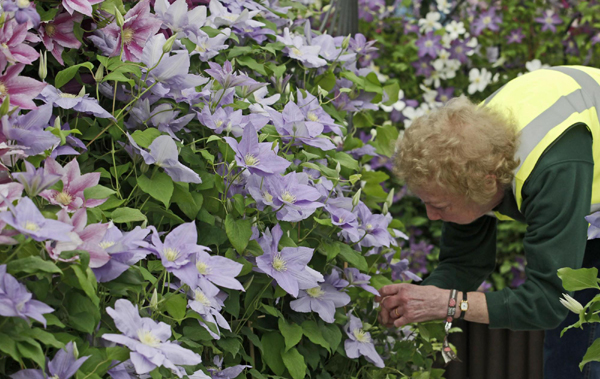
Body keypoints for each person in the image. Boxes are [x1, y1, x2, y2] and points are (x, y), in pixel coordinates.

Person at [375, 65, 600, 379]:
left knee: (582, 353)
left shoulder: (552, 167)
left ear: (486, 183)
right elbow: (465, 263)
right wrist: (416, 302)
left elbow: (548, 303)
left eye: (439, 205)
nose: (431, 216)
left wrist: (450, 303)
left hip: (573, 156)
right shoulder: (465, 151)